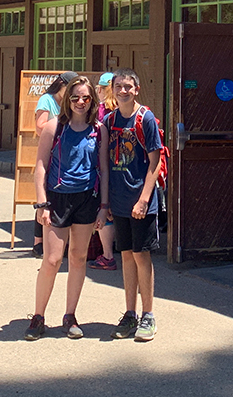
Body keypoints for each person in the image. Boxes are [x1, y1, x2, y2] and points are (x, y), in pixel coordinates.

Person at [26, 76, 109, 341]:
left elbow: (104, 170)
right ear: (67, 100)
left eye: (86, 97)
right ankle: (38, 316)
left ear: (93, 100)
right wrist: (42, 203)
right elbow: (39, 167)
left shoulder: (99, 129)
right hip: (57, 199)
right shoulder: (53, 127)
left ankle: (70, 315)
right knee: (51, 260)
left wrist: (103, 207)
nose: (81, 102)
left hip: (87, 198)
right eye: (75, 97)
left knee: (77, 258)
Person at [104, 68, 163, 342]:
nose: (123, 91)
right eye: (119, 86)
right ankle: (130, 313)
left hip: (140, 201)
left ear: (136, 89)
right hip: (119, 200)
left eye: (128, 86)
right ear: (113, 90)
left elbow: (155, 161)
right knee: (126, 255)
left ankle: (148, 315)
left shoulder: (145, 118)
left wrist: (143, 199)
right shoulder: (110, 120)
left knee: (142, 255)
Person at [30, 71, 77, 257]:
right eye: (69, 89)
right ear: (61, 85)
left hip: (67, 154)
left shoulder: (71, 102)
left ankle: (62, 241)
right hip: (50, 151)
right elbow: (39, 126)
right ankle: (38, 242)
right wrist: (60, 127)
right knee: (45, 197)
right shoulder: (47, 100)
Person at [88, 72, 117, 271]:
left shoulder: (100, 112)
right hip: (122, 166)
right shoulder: (124, 111)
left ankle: (107, 255)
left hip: (102, 167)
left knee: (104, 212)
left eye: (99, 88)